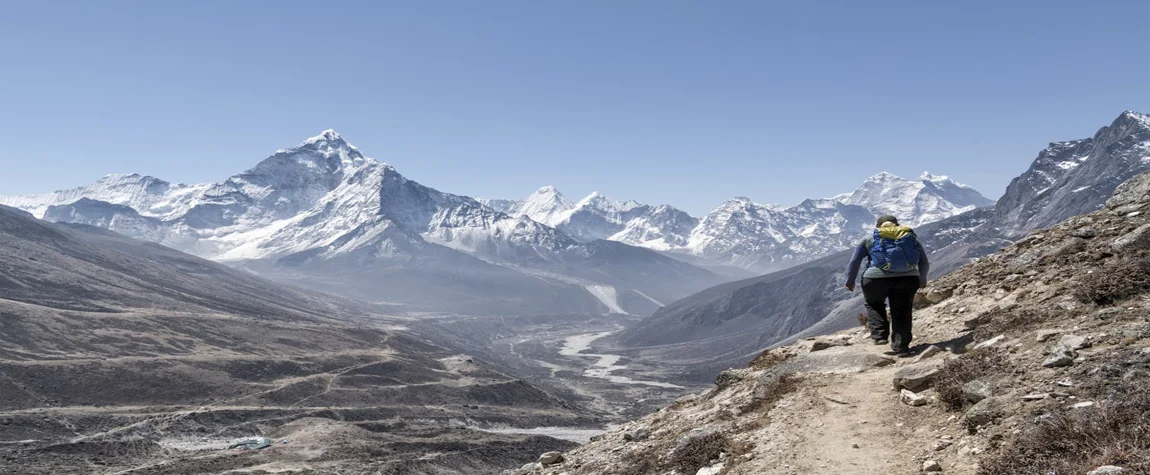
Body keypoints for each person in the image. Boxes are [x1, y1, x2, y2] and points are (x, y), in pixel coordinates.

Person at [844, 214, 930, 356]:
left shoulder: (868, 238)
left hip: (875, 279)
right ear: (897, 225)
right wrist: (923, 278)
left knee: (874, 304)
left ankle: (879, 337)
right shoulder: (909, 237)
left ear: (878, 226)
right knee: (902, 311)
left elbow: (854, 262)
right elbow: (924, 262)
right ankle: (901, 347)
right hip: (908, 279)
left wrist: (850, 280)